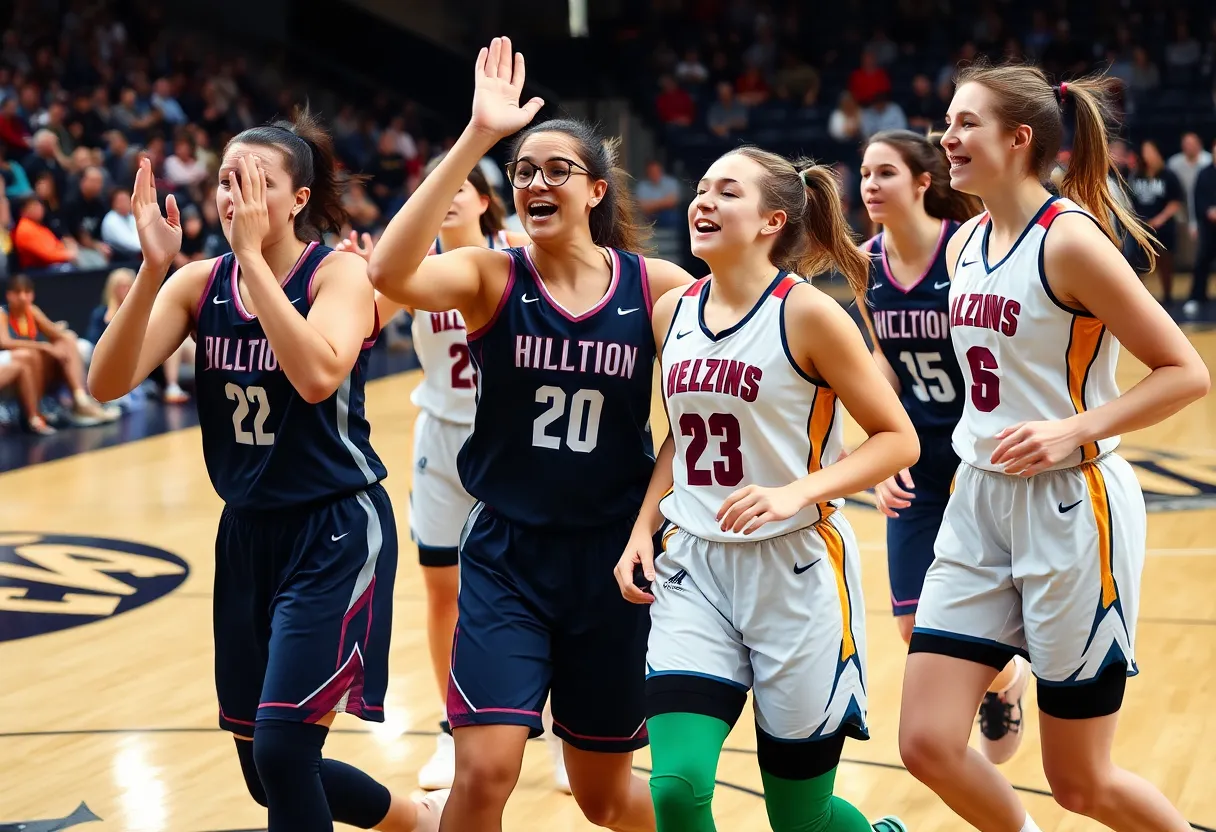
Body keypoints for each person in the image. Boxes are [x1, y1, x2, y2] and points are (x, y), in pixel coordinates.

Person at [367, 37, 695, 832]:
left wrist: (649, 526)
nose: (535, 182)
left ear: (593, 191)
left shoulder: (658, 287)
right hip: (508, 555)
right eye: (523, 172)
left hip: (611, 561)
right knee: (483, 772)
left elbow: (693, 428)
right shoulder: (490, 276)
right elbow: (388, 271)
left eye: (555, 170)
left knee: (605, 798)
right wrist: (478, 138)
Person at [86, 111, 446, 832]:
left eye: (254, 182)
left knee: (284, 751)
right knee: (264, 771)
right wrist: (155, 268)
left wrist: (253, 259)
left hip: (336, 526)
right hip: (248, 533)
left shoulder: (339, 272)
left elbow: (316, 376)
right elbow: (105, 381)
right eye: (224, 180)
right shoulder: (196, 283)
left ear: (299, 200)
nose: (233, 197)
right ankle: (416, 819)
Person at [898, 64, 1209, 832]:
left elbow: (1185, 373)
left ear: (1019, 138)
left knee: (1080, 782)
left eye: (966, 122)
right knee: (927, 743)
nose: (948, 136)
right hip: (977, 504)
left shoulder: (1069, 241)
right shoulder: (966, 239)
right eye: (948, 120)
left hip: (1072, 510)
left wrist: (1075, 427)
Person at [611, 146, 917, 832]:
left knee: (799, 818)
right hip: (694, 568)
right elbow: (681, 436)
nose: (703, 202)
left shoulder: (809, 315)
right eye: (701, 188)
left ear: (771, 219)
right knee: (675, 792)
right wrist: (642, 528)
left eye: (727, 192)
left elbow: (898, 439)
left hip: (796, 571)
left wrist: (798, 491)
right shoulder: (671, 312)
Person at [335, 159, 569, 795]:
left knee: (538, 591)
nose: (444, 197)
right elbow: (356, 330)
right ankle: (450, 726)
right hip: (441, 442)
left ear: (487, 199)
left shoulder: (518, 255)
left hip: (516, 446)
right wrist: (350, 281)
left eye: (460, 183)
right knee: (444, 592)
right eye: (435, 187)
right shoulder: (411, 265)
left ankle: (555, 726)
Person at [857, 129, 1030, 764]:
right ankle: (1007, 680)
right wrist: (880, 446)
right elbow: (882, 359)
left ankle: (1003, 677)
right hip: (917, 458)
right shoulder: (865, 261)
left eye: (886, 173)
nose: (870, 185)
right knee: (910, 625)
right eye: (866, 174)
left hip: (982, 453)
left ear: (923, 181)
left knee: (985, 609)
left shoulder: (963, 250)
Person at [0, 273, 119, 426]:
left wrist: (64, 333)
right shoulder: (3, 313)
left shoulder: (32, 311)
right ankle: (34, 414)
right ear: (9, 295)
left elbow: (54, 333)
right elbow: (5, 342)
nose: (23, 297)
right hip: (19, 364)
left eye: (27, 292)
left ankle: (81, 399)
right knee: (32, 354)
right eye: (18, 293)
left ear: (33, 294)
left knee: (67, 339)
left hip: (39, 367)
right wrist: (43, 346)